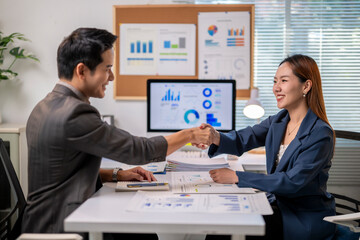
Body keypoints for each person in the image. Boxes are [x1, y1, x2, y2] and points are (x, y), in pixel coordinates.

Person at [21, 27, 215, 235]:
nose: (111, 77)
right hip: (59, 225)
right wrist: (190, 135)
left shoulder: (46, 105)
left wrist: (117, 174)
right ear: (82, 71)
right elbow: (138, 150)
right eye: (107, 68)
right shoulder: (74, 113)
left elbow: (64, 172)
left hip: (42, 219)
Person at [204, 54, 336, 240]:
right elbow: (244, 138)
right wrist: (215, 137)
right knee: (222, 216)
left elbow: (292, 182)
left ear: (306, 86)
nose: (276, 88)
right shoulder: (279, 121)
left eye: (283, 80)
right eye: (275, 81)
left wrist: (236, 176)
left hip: (301, 216)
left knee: (248, 222)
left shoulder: (320, 133)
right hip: (277, 205)